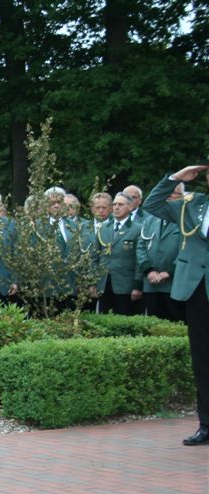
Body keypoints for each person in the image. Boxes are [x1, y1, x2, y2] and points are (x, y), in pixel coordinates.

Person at [144, 161, 209, 446]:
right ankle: (206, 424)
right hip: (197, 289)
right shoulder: (192, 204)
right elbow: (152, 205)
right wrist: (175, 178)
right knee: (202, 359)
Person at [138, 182, 184, 321]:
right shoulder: (150, 220)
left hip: (174, 283)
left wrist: (169, 272)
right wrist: (149, 270)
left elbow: (187, 249)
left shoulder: (186, 220)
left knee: (177, 324)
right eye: (167, 193)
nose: (169, 196)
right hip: (151, 283)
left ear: (182, 196)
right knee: (153, 324)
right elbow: (141, 246)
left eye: (174, 193)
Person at [93, 193, 143, 315]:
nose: (116, 207)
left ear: (130, 207)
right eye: (114, 204)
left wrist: (138, 285)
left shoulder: (138, 229)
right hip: (104, 283)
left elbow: (139, 259)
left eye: (120, 204)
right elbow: (95, 256)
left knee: (125, 318)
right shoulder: (103, 228)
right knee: (103, 319)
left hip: (126, 284)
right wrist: (93, 282)